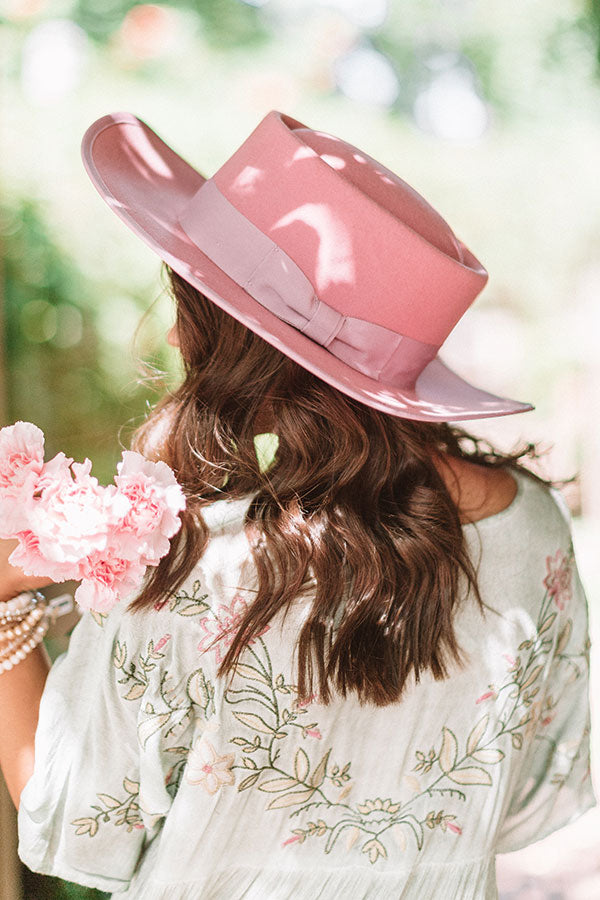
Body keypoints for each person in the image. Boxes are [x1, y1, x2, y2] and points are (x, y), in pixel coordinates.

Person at [0, 111, 595, 900]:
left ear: (246, 341)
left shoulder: (196, 564)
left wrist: (4, 607)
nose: (176, 339)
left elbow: (76, 822)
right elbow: (532, 796)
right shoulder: (532, 523)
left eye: (192, 307)